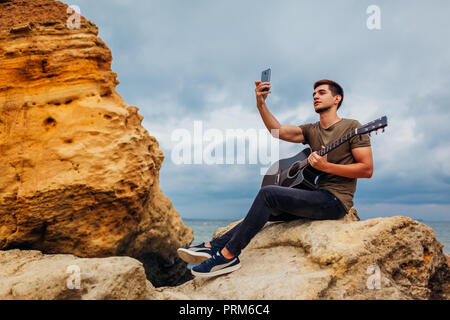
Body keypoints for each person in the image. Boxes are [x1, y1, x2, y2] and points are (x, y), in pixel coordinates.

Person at [177, 79, 373, 278]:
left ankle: (228, 256)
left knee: (268, 194)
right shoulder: (312, 130)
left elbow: (366, 169)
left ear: (336, 98)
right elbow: (276, 130)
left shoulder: (352, 127)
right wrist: (261, 103)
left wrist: (326, 166)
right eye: (314, 93)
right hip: (316, 194)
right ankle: (214, 246)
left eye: (321, 93)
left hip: (335, 200)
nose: (315, 96)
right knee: (265, 212)